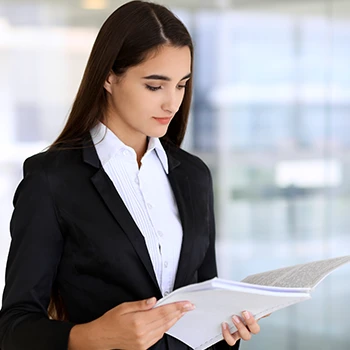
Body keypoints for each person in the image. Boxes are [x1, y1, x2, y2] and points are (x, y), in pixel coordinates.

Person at [0, 1, 262, 349]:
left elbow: (203, 302)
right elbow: (14, 327)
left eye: (182, 85)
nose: (172, 103)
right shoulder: (52, 180)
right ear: (109, 76)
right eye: (155, 86)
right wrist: (91, 336)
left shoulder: (193, 175)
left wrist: (227, 332)